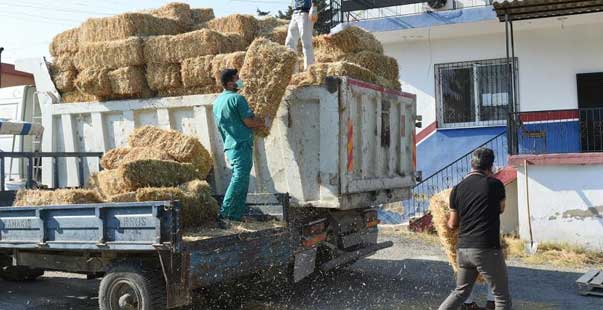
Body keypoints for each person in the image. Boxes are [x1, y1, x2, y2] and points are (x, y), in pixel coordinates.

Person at [439, 148, 511, 310]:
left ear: (472, 164)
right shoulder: (495, 185)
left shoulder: (457, 189)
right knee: (501, 295)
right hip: (486, 248)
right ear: (490, 167)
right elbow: (501, 208)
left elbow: (452, 224)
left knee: (460, 293)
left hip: (463, 250)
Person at [212, 69, 265, 221]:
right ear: (230, 83)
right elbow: (248, 121)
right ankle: (225, 213)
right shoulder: (237, 99)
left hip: (230, 145)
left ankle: (236, 214)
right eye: (237, 79)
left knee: (241, 179)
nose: (240, 81)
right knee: (239, 178)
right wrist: (262, 122)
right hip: (241, 144)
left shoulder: (218, 102)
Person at [285, 0, 318, 70]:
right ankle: (293, 70)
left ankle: (309, 71)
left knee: (306, 43)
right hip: (295, 13)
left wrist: (314, 6)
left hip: (305, 13)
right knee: (289, 43)